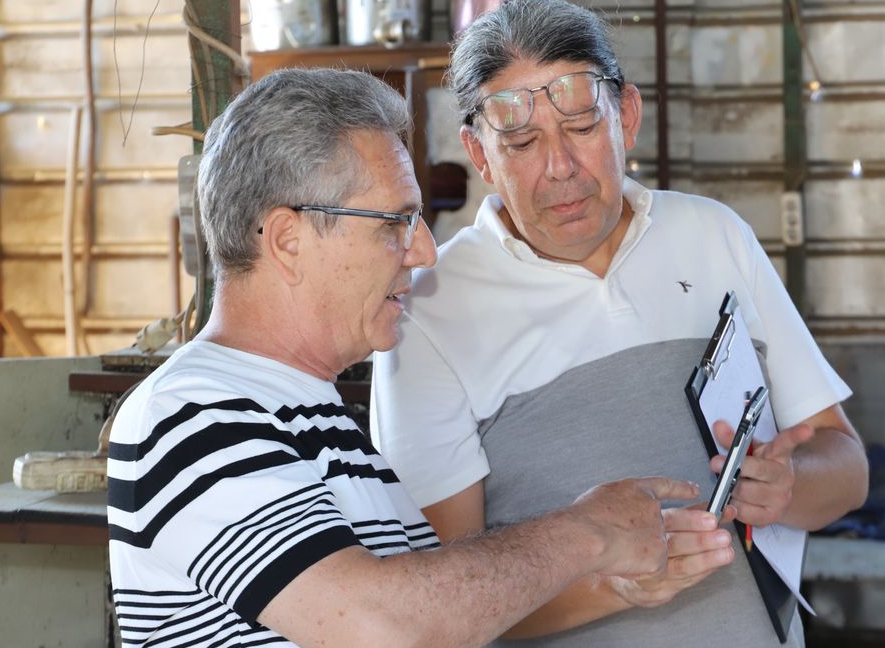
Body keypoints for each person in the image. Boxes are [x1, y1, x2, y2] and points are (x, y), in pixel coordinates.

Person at [106, 68, 704, 648]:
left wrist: (613, 585)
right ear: (288, 241)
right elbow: (383, 628)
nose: (423, 251)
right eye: (394, 222)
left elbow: (437, 614)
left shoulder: (315, 416)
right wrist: (585, 534)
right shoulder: (192, 414)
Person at [371, 0, 869, 646]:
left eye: (580, 128)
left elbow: (848, 469)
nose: (560, 169)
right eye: (521, 142)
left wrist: (790, 485)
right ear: (479, 153)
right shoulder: (429, 310)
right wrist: (609, 585)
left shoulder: (713, 236)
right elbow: (435, 601)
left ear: (626, 116)